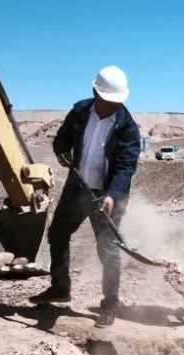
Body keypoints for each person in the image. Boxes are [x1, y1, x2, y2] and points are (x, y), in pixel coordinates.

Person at [29, 65, 141, 329]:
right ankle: (60, 288)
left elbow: (126, 166)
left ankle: (110, 305)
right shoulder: (80, 111)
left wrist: (113, 195)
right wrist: (62, 153)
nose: (113, 105)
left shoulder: (127, 127)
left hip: (107, 195)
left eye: (117, 101)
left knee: (108, 249)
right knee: (57, 234)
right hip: (77, 187)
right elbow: (61, 140)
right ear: (95, 92)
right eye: (108, 100)